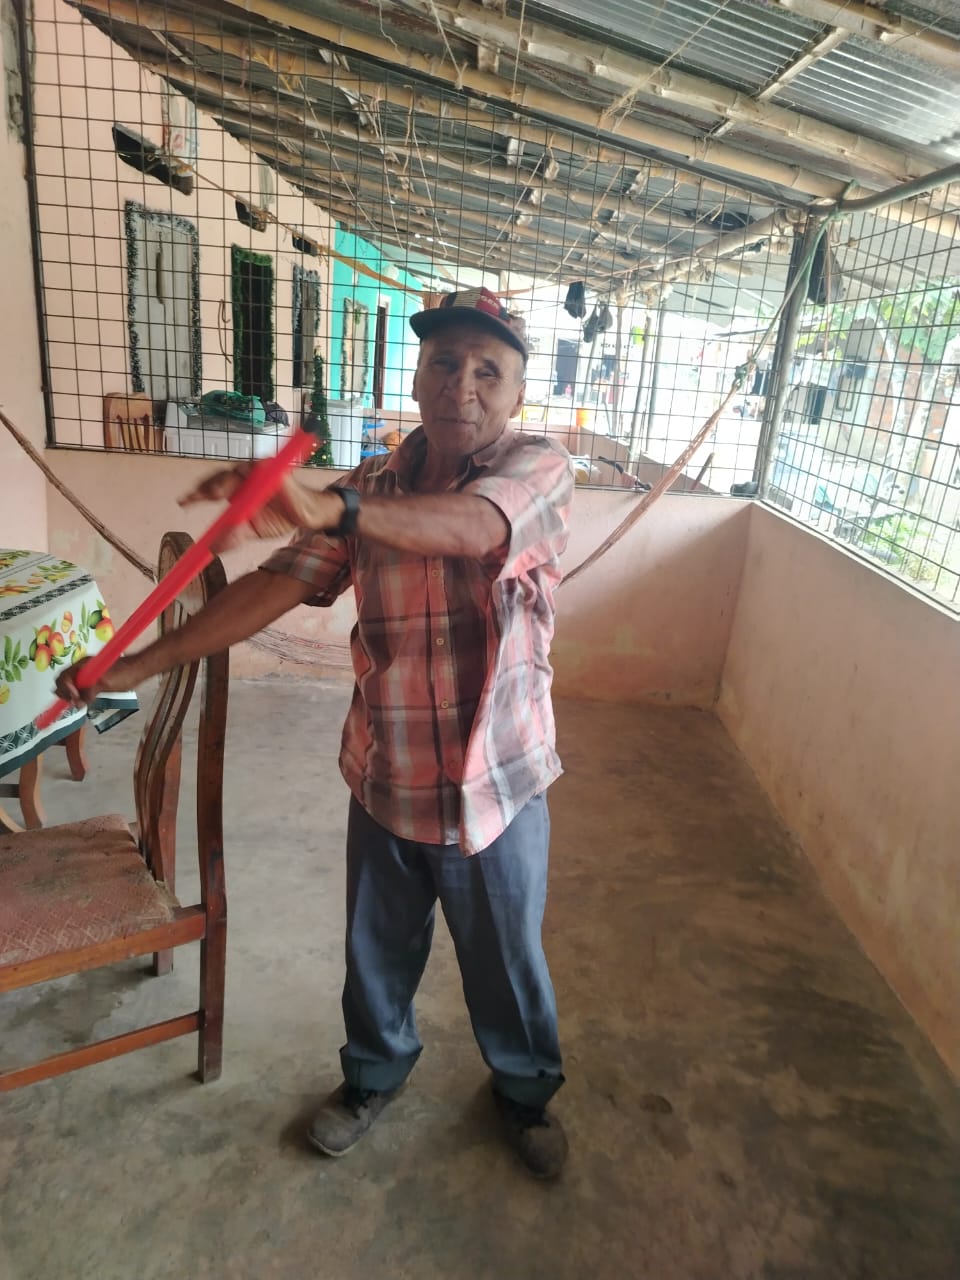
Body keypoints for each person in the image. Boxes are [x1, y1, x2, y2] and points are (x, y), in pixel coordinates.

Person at [59, 287, 574, 1179]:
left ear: (518, 395)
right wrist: (144, 663)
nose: (461, 386)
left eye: (488, 371)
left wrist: (327, 507)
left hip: (496, 781)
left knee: (506, 962)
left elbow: (473, 527)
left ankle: (525, 1094)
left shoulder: (538, 469)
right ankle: (372, 1076)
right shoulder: (368, 486)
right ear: (416, 377)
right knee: (376, 953)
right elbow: (278, 585)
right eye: (444, 363)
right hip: (386, 772)